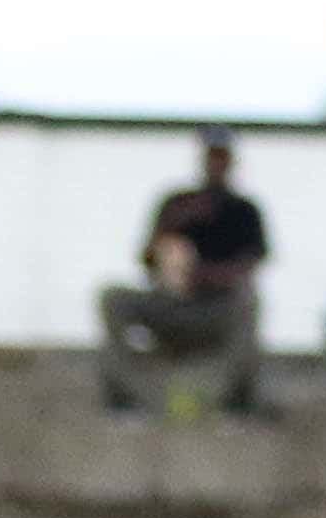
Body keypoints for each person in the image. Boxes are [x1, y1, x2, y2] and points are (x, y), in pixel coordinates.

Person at [100, 131, 267, 415]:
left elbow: (251, 263)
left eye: (221, 157)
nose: (215, 163)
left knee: (249, 301)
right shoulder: (176, 202)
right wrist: (174, 224)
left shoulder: (244, 210)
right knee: (112, 297)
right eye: (211, 156)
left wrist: (207, 276)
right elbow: (147, 258)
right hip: (170, 303)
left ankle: (237, 398)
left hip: (215, 308)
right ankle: (124, 395)